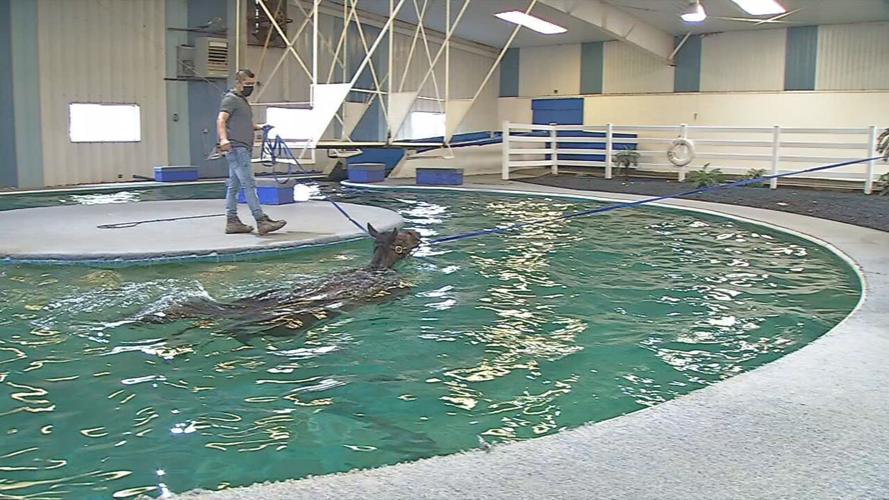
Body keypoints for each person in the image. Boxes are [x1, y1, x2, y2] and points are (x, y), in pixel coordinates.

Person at [217, 68, 287, 235]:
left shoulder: (242, 101)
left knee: (234, 186)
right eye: (247, 84)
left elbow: (242, 123)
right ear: (238, 83)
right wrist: (223, 139)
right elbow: (221, 119)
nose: (250, 87)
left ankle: (232, 221)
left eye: (253, 84)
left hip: (242, 148)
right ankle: (261, 220)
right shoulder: (230, 99)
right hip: (237, 148)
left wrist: (260, 127)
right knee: (249, 184)